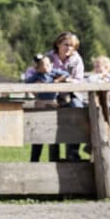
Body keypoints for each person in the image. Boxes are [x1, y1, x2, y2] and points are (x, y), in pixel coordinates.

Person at [23, 52, 69, 163]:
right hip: (41, 104)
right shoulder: (37, 75)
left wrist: (57, 81)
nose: (46, 67)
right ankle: (34, 159)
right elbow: (27, 82)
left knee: (53, 132)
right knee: (38, 133)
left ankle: (54, 158)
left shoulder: (53, 73)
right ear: (38, 68)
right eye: (43, 65)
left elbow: (66, 73)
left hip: (53, 104)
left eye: (48, 65)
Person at [47, 31, 84, 161]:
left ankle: (73, 151)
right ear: (58, 44)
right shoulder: (49, 58)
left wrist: (67, 81)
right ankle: (53, 153)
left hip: (71, 92)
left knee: (77, 109)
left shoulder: (76, 59)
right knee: (50, 116)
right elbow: (44, 74)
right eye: (66, 44)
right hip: (52, 93)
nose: (69, 48)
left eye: (72, 46)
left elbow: (79, 79)